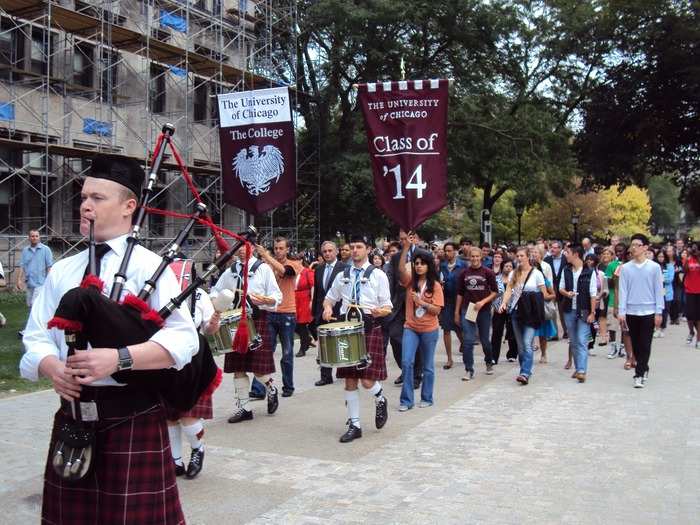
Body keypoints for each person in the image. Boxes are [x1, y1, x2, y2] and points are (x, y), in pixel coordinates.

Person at [20, 155, 199, 523]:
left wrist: (120, 358)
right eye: (83, 196)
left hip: (131, 417)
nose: (85, 205)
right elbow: (36, 335)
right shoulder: (64, 270)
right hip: (72, 420)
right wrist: (51, 366)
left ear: (129, 206)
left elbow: (183, 339)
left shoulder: (151, 267)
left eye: (98, 198)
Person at [323, 234, 392, 443]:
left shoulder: (378, 275)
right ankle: (355, 424)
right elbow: (330, 298)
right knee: (349, 379)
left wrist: (381, 311)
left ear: (368, 249)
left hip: (369, 328)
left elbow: (388, 306)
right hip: (347, 329)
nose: (354, 250)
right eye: (351, 247)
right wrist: (327, 308)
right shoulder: (342, 274)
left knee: (367, 380)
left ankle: (380, 397)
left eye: (359, 247)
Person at [212, 245, 283, 423]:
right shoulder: (231, 271)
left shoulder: (263, 268)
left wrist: (264, 300)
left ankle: (271, 387)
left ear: (252, 247)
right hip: (235, 322)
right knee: (238, 367)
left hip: (257, 319)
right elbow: (215, 290)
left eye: (246, 246)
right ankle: (244, 409)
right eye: (239, 246)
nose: (242, 250)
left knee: (259, 368)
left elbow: (277, 296)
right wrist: (217, 302)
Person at [166, 275, 221, 480]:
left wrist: (214, 322)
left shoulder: (200, 295)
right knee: (169, 415)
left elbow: (208, 329)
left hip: (195, 354)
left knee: (188, 414)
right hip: (166, 354)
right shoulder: (161, 292)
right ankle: (175, 461)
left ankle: (198, 449)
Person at [397, 241, 443, 411]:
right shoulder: (410, 282)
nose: (419, 266)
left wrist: (421, 303)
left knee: (428, 366)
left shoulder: (436, 286)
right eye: (416, 263)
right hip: (411, 327)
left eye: (422, 263)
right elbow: (401, 271)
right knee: (407, 362)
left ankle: (427, 397)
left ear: (429, 266)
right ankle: (406, 400)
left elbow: (437, 310)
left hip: (429, 329)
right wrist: (406, 249)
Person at [256, 237, 302, 397]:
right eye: (276, 248)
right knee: (264, 352)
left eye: (281, 248)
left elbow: (285, 272)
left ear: (287, 249)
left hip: (287, 313)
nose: (278, 251)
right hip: (269, 312)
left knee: (287, 353)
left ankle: (288, 387)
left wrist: (267, 256)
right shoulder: (266, 265)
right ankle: (259, 389)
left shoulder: (294, 264)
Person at [618, 233, 665, 388]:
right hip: (631, 311)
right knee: (636, 344)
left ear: (645, 247)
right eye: (632, 245)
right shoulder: (625, 268)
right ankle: (643, 366)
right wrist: (621, 311)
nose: (634, 248)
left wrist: (659, 311)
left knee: (645, 343)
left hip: (649, 311)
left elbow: (659, 290)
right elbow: (623, 290)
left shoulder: (654, 267)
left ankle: (639, 373)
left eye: (637, 245)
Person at [499, 247, 548, 385]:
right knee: (520, 346)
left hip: (531, 313)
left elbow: (543, 293)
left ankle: (525, 372)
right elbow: (509, 289)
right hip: (516, 312)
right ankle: (524, 369)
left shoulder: (537, 273)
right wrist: (504, 303)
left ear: (528, 257)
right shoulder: (514, 273)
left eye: (522, 256)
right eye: (517, 256)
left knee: (527, 343)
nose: (519, 258)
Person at [385, 229, 423, 389]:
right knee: (395, 337)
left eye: (405, 238)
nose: (403, 242)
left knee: (416, 341)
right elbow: (392, 279)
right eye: (400, 239)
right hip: (398, 304)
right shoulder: (395, 257)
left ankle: (416, 375)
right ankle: (405, 369)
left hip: (417, 304)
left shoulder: (422, 254)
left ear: (413, 237)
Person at [454, 247, 498, 380]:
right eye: (472, 256)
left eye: (477, 256)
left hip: (483, 310)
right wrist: (456, 312)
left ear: (481, 257)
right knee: (468, 340)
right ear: (469, 258)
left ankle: (488, 361)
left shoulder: (488, 272)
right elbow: (460, 293)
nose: (474, 259)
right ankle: (469, 369)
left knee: (485, 340)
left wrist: (483, 302)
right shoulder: (464, 273)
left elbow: (495, 292)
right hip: (468, 309)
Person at [311, 241, 348, 386]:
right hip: (322, 312)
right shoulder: (319, 269)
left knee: (340, 342)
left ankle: (344, 370)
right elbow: (319, 293)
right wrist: (315, 313)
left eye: (330, 251)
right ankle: (325, 376)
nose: (327, 253)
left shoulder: (345, 269)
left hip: (339, 312)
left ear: (336, 251)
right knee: (323, 345)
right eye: (324, 251)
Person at [559, 245, 598, 383]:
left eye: (567, 253)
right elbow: (561, 288)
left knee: (582, 340)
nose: (566, 255)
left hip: (584, 310)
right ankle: (578, 367)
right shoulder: (566, 270)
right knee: (574, 341)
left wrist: (593, 312)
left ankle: (582, 370)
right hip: (569, 309)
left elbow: (593, 294)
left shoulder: (589, 272)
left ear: (575, 254)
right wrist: (567, 293)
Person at [438, 241, 465, 369]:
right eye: (446, 251)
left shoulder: (462, 265)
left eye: (449, 250)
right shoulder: (442, 266)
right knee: (446, 329)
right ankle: (449, 359)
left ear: (455, 251)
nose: (447, 253)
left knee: (459, 328)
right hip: (446, 301)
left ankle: (465, 347)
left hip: (460, 300)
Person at [16, 229, 54, 308]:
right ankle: (32, 320)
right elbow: (22, 266)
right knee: (29, 305)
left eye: (37, 236)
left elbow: (49, 266)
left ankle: (37, 320)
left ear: (39, 237)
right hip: (29, 283)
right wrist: (19, 280)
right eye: (32, 236)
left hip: (41, 283)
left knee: (35, 305)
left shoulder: (46, 249)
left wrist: (49, 281)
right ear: (29, 238)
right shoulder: (25, 250)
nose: (35, 238)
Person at [531, 245, 556, 363]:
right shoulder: (526, 269)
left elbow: (551, 289)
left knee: (542, 332)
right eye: (532, 252)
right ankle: (529, 351)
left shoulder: (546, 268)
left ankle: (543, 353)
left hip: (541, 303)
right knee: (528, 330)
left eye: (536, 252)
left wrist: (548, 297)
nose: (534, 254)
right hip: (529, 303)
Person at [491, 258, 517, 363]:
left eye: (510, 266)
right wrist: (495, 306)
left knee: (512, 332)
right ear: (502, 267)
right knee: (497, 332)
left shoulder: (516, 279)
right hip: (498, 309)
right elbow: (492, 293)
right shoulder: (496, 279)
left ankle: (512, 354)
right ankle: (494, 356)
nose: (508, 268)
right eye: (506, 266)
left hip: (512, 309)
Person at [544, 240, 566, 340]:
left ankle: (567, 331)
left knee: (563, 311)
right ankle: (554, 333)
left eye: (555, 247)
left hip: (563, 288)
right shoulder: (547, 259)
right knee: (551, 311)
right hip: (551, 287)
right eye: (551, 247)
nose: (552, 249)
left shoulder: (566, 259)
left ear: (560, 249)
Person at [294, 255, 315, 357]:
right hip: (294, 300)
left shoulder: (307, 272)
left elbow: (313, 286)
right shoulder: (293, 272)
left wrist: (312, 300)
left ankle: (302, 348)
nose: (294, 263)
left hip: (304, 300)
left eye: (296, 260)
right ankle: (307, 339)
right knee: (294, 324)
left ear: (301, 260)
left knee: (301, 325)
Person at [683, 242, 700, 348]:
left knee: (698, 317)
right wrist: (688, 257)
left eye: (696, 249)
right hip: (689, 291)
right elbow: (685, 270)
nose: (694, 250)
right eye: (693, 249)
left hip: (699, 291)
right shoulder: (688, 259)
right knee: (689, 316)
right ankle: (691, 332)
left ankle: (698, 339)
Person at [654, 250, 674, 338]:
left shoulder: (669, 266)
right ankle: (656, 328)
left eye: (662, 257)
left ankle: (662, 328)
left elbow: (669, 279)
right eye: (659, 257)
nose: (661, 258)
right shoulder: (654, 266)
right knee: (656, 310)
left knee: (664, 310)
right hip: (655, 291)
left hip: (666, 290)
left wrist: (660, 278)